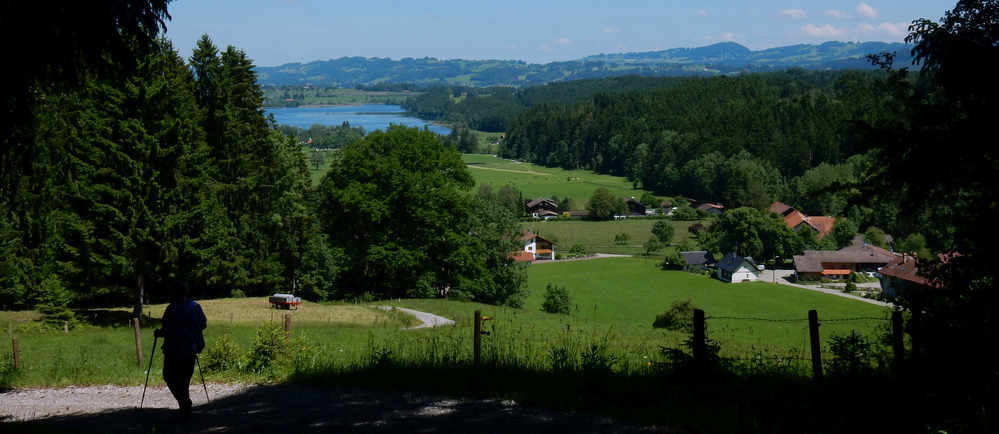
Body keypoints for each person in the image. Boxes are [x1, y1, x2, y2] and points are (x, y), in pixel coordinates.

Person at [154, 280, 207, 419]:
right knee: (184, 380)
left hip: (173, 349)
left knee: (170, 377)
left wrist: (158, 333)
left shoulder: (171, 308)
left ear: (175, 293)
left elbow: (165, 330)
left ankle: (184, 405)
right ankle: (185, 407)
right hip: (190, 349)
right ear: (186, 292)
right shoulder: (195, 307)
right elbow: (203, 325)